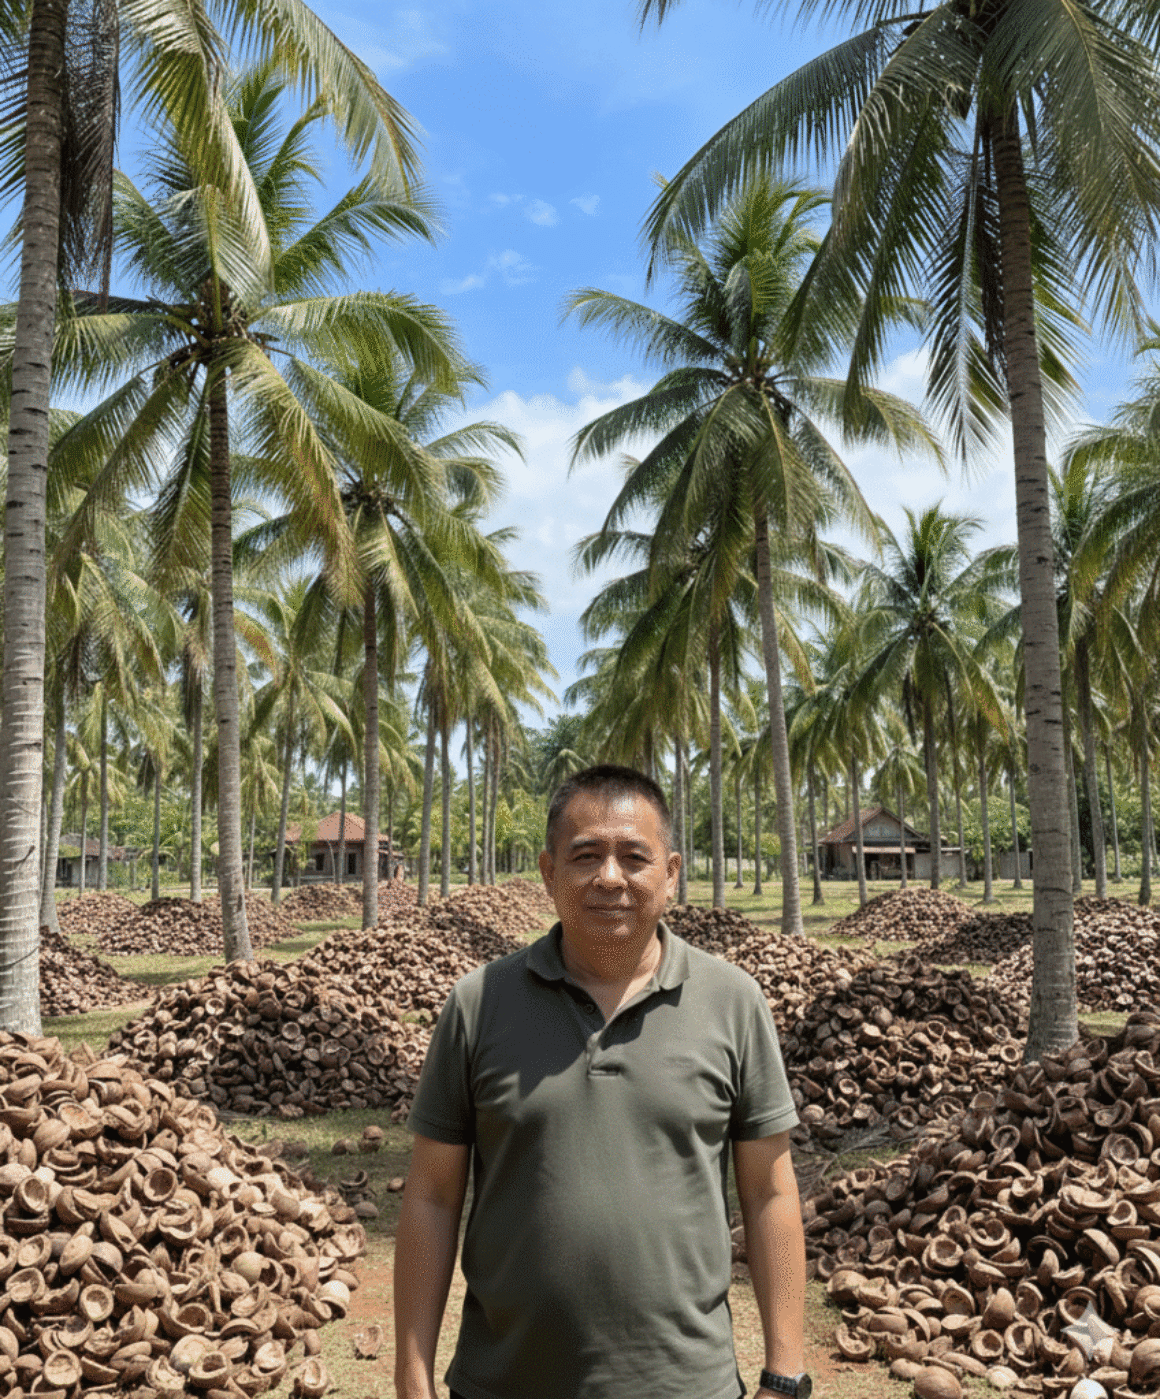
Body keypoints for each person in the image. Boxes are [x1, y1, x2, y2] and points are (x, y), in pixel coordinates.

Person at [393, 764, 809, 1399]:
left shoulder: (732, 1002)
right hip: (503, 1384)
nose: (609, 878)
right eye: (585, 855)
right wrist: (412, 1376)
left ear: (670, 873)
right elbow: (431, 1197)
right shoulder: (480, 1004)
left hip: (685, 1386)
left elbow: (770, 1194)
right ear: (548, 872)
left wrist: (785, 1373)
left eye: (633, 857)